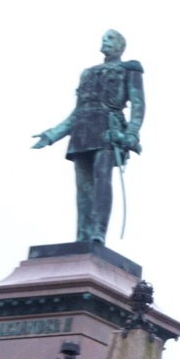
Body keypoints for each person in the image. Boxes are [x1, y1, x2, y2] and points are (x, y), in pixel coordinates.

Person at [31, 30, 146, 244]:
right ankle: (82, 236)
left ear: (121, 46)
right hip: (82, 133)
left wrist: (131, 133)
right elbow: (77, 112)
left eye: (110, 38)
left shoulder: (129, 69)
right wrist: (51, 135)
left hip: (108, 131)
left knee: (102, 182)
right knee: (83, 190)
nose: (104, 40)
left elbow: (138, 106)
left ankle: (97, 234)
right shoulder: (88, 73)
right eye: (103, 38)